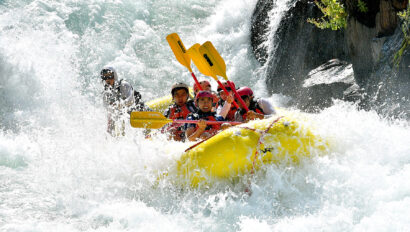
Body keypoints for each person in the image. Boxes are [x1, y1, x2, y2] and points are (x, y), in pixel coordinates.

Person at [100, 67, 144, 136]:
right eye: (105, 77)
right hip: (122, 113)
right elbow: (107, 108)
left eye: (110, 76)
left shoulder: (124, 85)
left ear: (115, 76)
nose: (108, 79)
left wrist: (120, 104)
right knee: (111, 115)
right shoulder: (106, 93)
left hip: (136, 108)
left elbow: (131, 100)